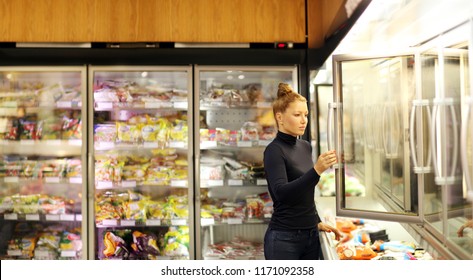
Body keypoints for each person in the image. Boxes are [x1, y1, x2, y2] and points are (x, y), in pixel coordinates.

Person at [263, 83, 341, 260]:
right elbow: (282, 193)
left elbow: (306, 193)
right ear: (280, 117)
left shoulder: (305, 146)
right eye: (297, 115)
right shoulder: (274, 151)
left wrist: (315, 221)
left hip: (311, 235)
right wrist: (317, 170)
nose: (303, 120)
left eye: (305, 114)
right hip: (284, 239)